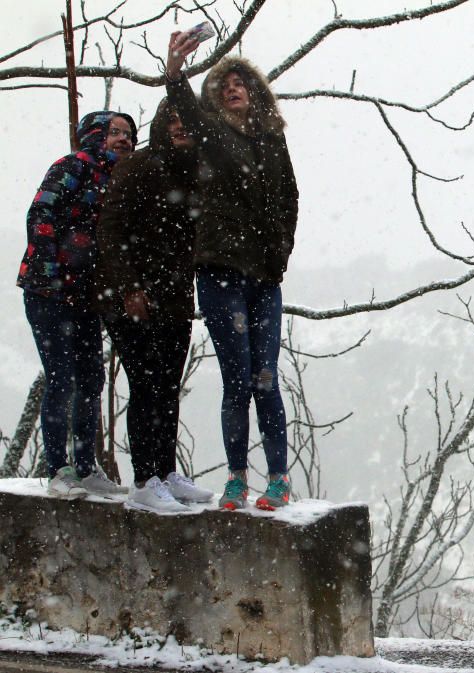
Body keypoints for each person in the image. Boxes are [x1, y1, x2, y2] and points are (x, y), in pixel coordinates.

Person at [164, 32, 298, 511]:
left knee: (266, 377)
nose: (232, 88)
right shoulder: (212, 135)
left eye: (240, 82)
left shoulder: (273, 141)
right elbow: (185, 104)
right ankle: (237, 478)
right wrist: (175, 70)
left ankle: (278, 478)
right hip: (221, 269)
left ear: (255, 90)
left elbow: (289, 200)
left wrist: (280, 253)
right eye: (223, 85)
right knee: (236, 379)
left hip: (264, 275)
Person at [94, 98, 214, 513]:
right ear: (161, 126)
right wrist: (129, 288)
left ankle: (165, 472)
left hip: (175, 299)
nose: (180, 128)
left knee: (166, 388)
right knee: (145, 387)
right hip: (131, 298)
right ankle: (145, 479)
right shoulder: (138, 167)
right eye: (173, 121)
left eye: (187, 121)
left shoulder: (197, 174)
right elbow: (110, 229)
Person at [17, 110, 136, 498]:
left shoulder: (123, 181)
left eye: (129, 134)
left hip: (88, 298)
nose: (124, 139)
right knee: (62, 378)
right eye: (115, 132)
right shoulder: (73, 166)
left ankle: (86, 467)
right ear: (95, 135)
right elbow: (41, 215)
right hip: (49, 292)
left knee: (90, 379)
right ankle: (58, 469)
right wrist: (51, 273)